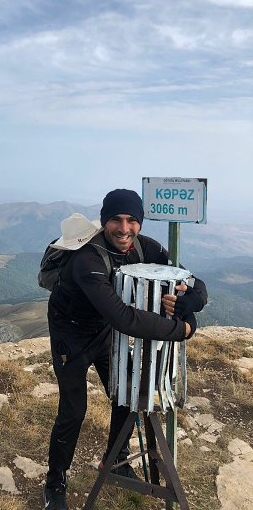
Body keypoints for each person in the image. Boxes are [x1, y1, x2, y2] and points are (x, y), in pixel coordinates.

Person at [43, 189, 207, 510]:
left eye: (132, 220)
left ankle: (114, 460)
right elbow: (123, 317)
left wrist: (192, 303)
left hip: (102, 331)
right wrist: (183, 330)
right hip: (70, 335)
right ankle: (55, 482)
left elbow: (191, 280)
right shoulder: (87, 258)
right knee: (73, 411)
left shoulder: (144, 247)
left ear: (140, 222)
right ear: (104, 221)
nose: (124, 228)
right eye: (116, 220)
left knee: (128, 392)